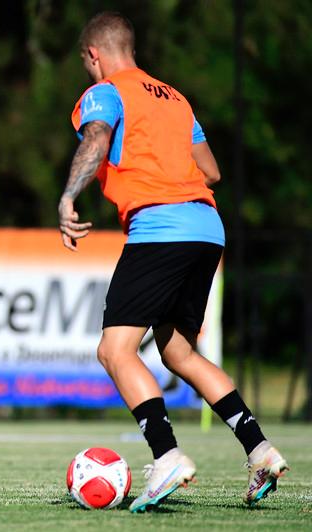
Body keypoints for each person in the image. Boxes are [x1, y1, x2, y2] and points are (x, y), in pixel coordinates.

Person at [58, 12, 288, 513]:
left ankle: (167, 457)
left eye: (84, 61)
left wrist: (69, 196)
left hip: (161, 229)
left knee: (114, 351)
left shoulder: (107, 91)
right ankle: (260, 450)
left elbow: (95, 138)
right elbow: (211, 170)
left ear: (93, 55)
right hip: (207, 229)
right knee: (179, 353)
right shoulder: (176, 99)